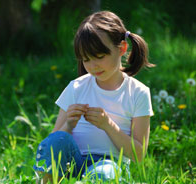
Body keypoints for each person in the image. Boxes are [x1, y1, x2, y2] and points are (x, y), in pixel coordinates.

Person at [33, 10, 155, 183]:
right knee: (57, 139)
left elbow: (139, 155)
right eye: (86, 59)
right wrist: (69, 123)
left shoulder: (137, 92)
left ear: (121, 48)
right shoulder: (76, 87)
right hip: (73, 161)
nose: (93, 66)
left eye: (99, 56)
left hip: (110, 165)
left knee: (103, 174)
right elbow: (53, 143)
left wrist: (108, 125)